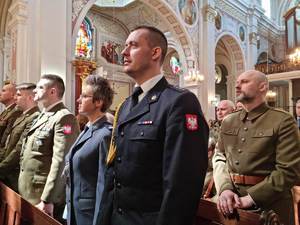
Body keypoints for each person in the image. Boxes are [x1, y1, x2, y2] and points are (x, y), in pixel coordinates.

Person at [98, 26, 208, 225]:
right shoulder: (125, 106)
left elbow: (182, 184)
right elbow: (114, 172)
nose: (123, 52)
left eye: (132, 45)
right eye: (125, 46)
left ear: (155, 53)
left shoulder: (179, 102)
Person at [213, 70, 300, 225]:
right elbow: (219, 157)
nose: (238, 85)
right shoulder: (228, 121)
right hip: (231, 203)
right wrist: (225, 188)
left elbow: (289, 171)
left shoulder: (283, 121)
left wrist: (251, 197)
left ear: (262, 87)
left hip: (271, 206)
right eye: (237, 82)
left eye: (245, 82)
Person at [18, 74, 80, 221]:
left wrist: (48, 199)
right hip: (28, 189)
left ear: (52, 92)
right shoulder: (43, 115)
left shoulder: (64, 118)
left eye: (40, 87)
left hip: (42, 195)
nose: (35, 91)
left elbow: (61, 161)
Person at [64, 75, 113, 225]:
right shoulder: (88, 129)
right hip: (76, 210)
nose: (78, 100)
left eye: (84, 96)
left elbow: (104, 185)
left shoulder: (105, 134)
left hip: (90, 215)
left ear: (98, 102)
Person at [0, 83, 40, 191]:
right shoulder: (22, 116)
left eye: (18, 95)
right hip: (8, 171)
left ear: (29, 98)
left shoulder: (34, 117)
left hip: (15, 174)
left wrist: (2, 168)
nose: (15, 97)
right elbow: (7, 144)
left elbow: (19, 148)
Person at [203, 100, 235, 198]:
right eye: (217, 110)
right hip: (210, 167)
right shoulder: (212, 128)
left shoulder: (237, 127)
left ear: (233, 111)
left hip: (228, 170)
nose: (219, 112)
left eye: (223, 109)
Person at [0, 82, 22, 149]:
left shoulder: (15, 113)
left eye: (3, 91)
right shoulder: (7, 111)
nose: (0, 93)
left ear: (12, 95)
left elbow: (6, 138)